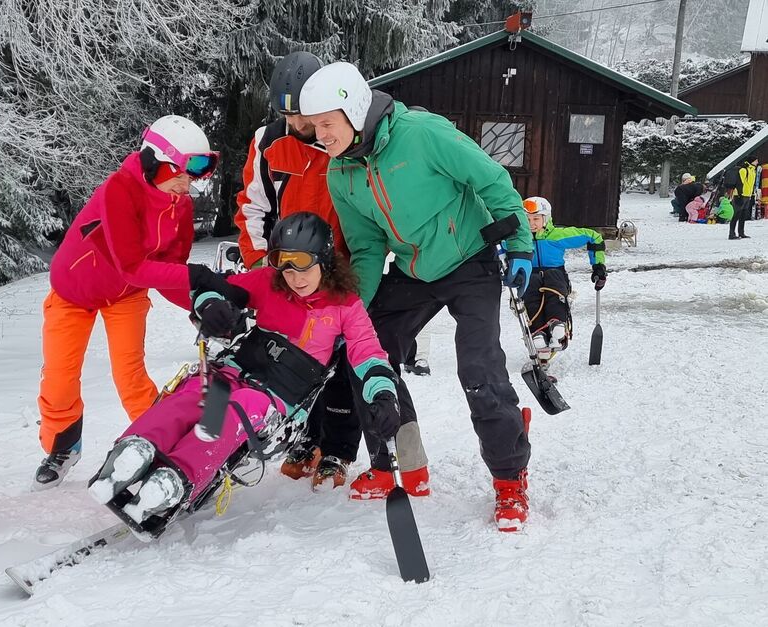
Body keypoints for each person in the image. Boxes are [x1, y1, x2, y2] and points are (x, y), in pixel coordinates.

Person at [299, 61, 534, 531]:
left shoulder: (422, 134)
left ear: (354, 110)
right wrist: (353, 312)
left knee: (478, 368)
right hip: (413, 270)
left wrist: (521, 242)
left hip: (470, 260)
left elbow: (490, 179)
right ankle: (402, 464)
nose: (319, 136)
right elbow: (367, 247)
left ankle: (510, 478)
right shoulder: (340, 172)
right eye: (314, 126)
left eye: (326, 124)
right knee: (368, 356)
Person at [88, 213, 402, 523]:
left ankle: (175, 477)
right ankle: (135, 450)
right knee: (195, 394)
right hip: (238, 368)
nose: (295, 278)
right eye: (285, 265)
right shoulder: (269, 283)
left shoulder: (345, 305)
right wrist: (212, 306)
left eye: (304, 265)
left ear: (325, 261)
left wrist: (383, 395)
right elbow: (217, 287)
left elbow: (368, 354)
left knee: (234, 409)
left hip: (279, 394)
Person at [34, 114, 244, 490]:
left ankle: (160, 444)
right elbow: (133, 266)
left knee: (130, 375)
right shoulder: (120, 190)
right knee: (60, 378)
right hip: (73, 293)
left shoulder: (180, 206)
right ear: (153, 162)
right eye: (180, 173)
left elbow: (170, 274)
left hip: (126, 296)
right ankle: (61, 446)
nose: (187, 185)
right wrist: (197, 277)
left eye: (192, 176)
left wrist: (202, 303)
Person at [234, 51, 360, 490]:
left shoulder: (343, 138)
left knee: (342, 363)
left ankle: (338, 448)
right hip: (289, 270)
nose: (297, 123)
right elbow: (252, 208)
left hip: (339, 271)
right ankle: (306, 438)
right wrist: (259, 266)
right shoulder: (268, 141)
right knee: (296, 358)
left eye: (302, 114)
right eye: (287, 115)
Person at [520, 197, 606, 365]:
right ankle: (537, 332)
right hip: (530, 277)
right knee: (530, 289)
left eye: (536, 219)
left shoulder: (557, 235)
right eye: (527, 219)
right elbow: (498, 247)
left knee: (553, 284)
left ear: (546, 218)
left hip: (556, 276)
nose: (531, 224)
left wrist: (598, 266)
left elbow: (594, 237)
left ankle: (557, 324)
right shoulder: (519, 239)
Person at [727, 156, 758, 239]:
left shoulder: (753, 171)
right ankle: (731, 234)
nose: (757, 162)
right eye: (756, 161)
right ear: (751, 161)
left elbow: (751, 184)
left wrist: (752, 195)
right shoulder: (743, 170)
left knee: (743, 215)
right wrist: (740, 195)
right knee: (736, 214)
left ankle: (741, 232)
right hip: (740, 195)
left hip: (747, 195)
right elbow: (739, 183)